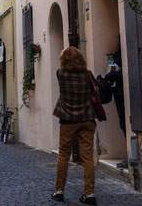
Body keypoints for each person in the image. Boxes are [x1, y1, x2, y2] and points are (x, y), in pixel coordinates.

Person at [52, 47, 98, 205]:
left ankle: (59, 191)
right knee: (87, 157)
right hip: (87, 118)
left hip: (67, 119)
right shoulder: (88, 74)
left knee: (63, 155)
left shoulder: (60, 73)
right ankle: (89, 194)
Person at [104, 51, 127, 168]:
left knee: (125, 124)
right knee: (123, 124)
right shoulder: (118, 54)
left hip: (122, 94)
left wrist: (110, 76)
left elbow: (124, 73)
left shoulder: (123, 54)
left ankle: (131, 154)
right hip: (119, 94)